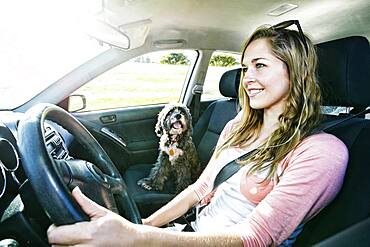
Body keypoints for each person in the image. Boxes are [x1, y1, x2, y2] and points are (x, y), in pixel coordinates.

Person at [47, 21, 348, 246]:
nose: (247, 79)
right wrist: (142, 227)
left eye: (260, 66)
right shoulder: (237, 126)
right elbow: (199, 190)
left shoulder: (322, 152)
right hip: (190, 233)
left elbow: (256, 237)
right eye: (244, 68)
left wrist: (138, 239)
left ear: (295, 73)